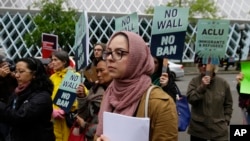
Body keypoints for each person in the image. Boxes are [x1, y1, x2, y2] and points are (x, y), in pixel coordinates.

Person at [95, 31, 178, 141]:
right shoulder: (109, 93)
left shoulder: (161, 104)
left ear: (136, 57)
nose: (110, 58)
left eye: (119, 52)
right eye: (109, 52)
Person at [0, 57, 55, 141]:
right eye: (16, 71)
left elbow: (19, 117)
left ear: (34, 74)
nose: (17, 75)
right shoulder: (18, 91)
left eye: (21, 72)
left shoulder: (42, 96)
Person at [186, 60, 233, 141]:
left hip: (219, 130)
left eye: (206, 64)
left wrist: (227, 118)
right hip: (198, 130)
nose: (204, 66)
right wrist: (202, 87)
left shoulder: (223, 83)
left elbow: (228, 103)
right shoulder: (194, 81)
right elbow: (191, 99)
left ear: (213, 66)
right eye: (201, 64)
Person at [75, 59, 113, 141]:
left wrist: (85, 126)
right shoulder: (94, 89)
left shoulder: (118, 93)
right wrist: (82, 98)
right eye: (97, 71)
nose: (98, 74)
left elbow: (111, 126)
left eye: (102, 70)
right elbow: (84, 115)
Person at [50, 50, 79, 141]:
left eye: (55, 60)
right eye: (52, 60)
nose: (53, 62)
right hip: (54, 120)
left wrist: (67, 108)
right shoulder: (52, 77)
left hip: (67, 120)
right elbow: (47, 97)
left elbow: (81, 97)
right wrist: (51, 110)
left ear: (64, 62)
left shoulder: (74, 76)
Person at [0, 55, 17, 141]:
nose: (6, 68)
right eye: (3, 66)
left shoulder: (11, 76)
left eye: (7, 65)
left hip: (13, 110)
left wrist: (15, 77)